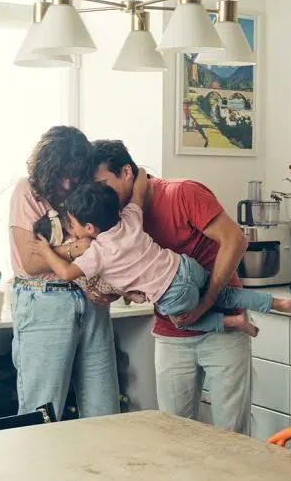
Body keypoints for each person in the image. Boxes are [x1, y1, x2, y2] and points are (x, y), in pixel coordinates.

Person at [90, 139, 255, 433]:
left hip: (224, 329)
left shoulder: (182, 193)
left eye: (103, 184)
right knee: (174, 435)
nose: (99, 194)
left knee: (233, 436)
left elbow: (235, 240)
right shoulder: (116, 218)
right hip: (172, 333)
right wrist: (114, 290)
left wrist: (204, 304)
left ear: (126, 172)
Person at [33, 171, 291, 335]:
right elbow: (139, 191)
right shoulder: (130, 219)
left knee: (182, 321)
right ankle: (277, 303)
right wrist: (139, 172)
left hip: (170, 294)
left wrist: (46, 250)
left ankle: (233, 321)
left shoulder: (98, 252)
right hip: (185, 267)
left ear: (90, 228)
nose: (72, 230)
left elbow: (67, 273)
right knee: (225, 294)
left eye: (72, 225)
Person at [7, 126, 119, 421]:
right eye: (62, 175)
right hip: (44, 301)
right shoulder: (27, 191)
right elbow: (31, 262)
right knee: (42, 411)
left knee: (105, 411)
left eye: (76, 175)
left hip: (90, 299)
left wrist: (79, 255)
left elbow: (109, 245)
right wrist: (79, 249)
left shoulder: (86, 193)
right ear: (47, 167)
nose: (68, 184)